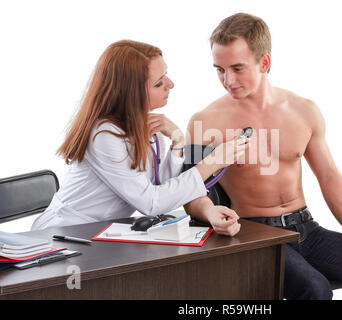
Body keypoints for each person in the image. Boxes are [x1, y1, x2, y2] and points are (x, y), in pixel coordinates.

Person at [183, 13, 342, 299]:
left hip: (308, 232)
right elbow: (188, 193)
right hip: (256, 237)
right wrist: (210, 213)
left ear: (264, 63)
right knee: (315, 290)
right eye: (219, 69)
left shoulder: (303, 111)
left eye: (237, 68)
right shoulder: (203, 122)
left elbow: (328, 174)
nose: (227, 80)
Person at [31, 40, 249, 230]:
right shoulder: (103, 136)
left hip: (100, 232)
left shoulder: (145, 126)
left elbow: (163, 187)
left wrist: (177, 141)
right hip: (64, 233)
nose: (170, 85)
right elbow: (151, 203)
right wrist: (213, 162)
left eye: (166, 75)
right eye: (158, 82)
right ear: (131, 93)